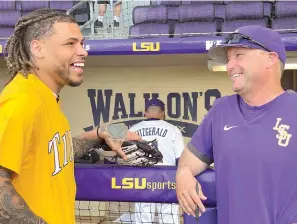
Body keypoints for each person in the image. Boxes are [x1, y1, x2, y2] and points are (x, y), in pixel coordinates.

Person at [0, 9, 139, 224]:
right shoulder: (22, 101)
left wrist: (101, 133)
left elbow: (52, 153)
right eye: (70, 43)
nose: (83, 51)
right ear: (38, 48)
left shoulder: (45, 98)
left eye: (82, 43)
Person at [175, 25, 297, 224]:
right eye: (229, 59)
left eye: (239, 55)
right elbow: (189, 160)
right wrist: (183, 173)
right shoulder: (221, 110)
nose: (230, 66)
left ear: (270, 59)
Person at [129, 99, 185, 224]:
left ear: (145, 113)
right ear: (162, 113)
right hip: (167, 179)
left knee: (143, 218)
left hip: (142, 178)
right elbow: (181, 159)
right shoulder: (173, 130)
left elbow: (127, 158)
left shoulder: (133, 129)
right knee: (169, 218)